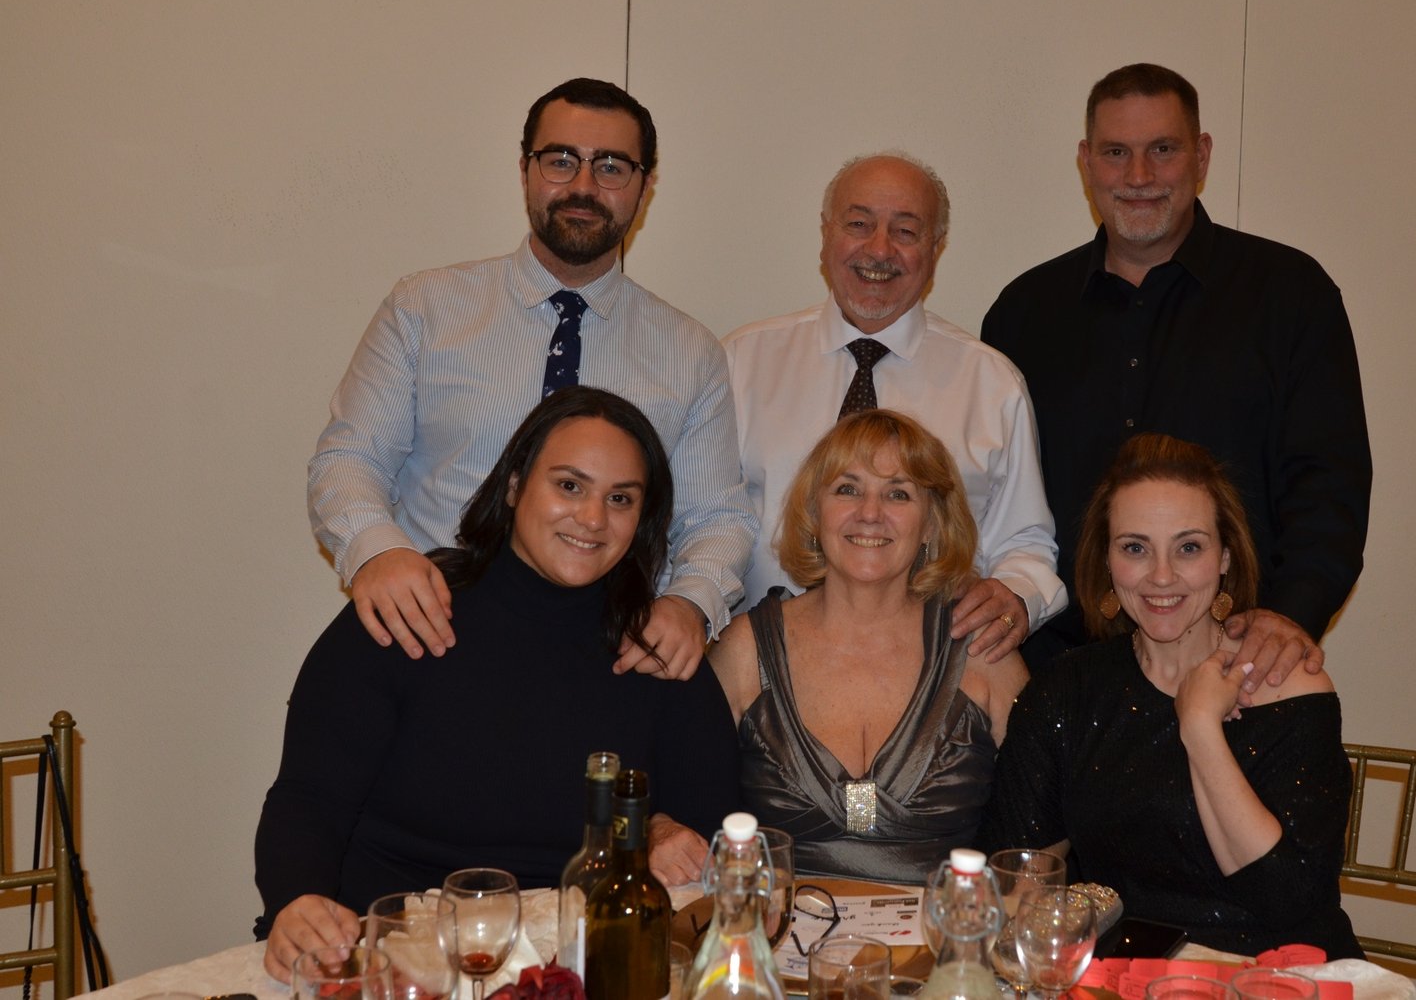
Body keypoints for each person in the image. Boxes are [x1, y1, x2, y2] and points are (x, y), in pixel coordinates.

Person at [258, 387, 742, 981]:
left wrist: (663, 831)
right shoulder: (412, 610)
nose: (593, 518)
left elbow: (718, 840)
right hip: (395, 958)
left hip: (584, 968)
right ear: (514, 485)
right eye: (569, 485)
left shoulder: (657, 648)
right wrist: (297, 902)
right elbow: (309, 799)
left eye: (620, 498)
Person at [308, 77, 755, 677]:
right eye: (561, 160)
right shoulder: (425, 309)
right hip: (426, 640)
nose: (583, 186)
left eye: (611, 167)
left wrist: (689, 603)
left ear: (645, 187)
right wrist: (376, 552)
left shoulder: (690, 352)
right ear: (525, 170)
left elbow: (716, 518)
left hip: (603, 665)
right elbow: (350, 458)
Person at [982, 63, 1370, 689]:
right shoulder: (1023, 314)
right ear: (1086, 162)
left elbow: (1329, 484)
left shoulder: (1291, 296)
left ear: (1202, 155)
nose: (1138, 176)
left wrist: (1290, 615)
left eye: (1162, 149)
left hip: (1238, 668)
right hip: (1060, 679)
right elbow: (996, 503)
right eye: (1116, 152)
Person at [978, 433, 1360, 959]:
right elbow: (1017, 879)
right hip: (1125, 977)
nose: (1161, 576)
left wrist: (1199, 725)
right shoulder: (1066, 690)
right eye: (1135, 548)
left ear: (1225, 557)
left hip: (1274, 974)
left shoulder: (1286, 684)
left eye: (1189, 547)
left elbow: (1290, 901)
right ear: (1107, 560)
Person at [723, 151, 1064, 663]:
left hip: (930, 676)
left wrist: (1018, 594)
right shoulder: (742, 363)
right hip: (758, 668)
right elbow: (700, 522)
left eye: (905, 231)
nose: (879, 249)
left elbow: (1026, 542)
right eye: (858, 224)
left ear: (936, 248)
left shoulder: (992, 384)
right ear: (826, 234)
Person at [708, 410, 1028, 884]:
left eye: (898, 494)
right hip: (776, 927)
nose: (870, 513)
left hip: (947, 930)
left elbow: (1039, 839)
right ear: (814, 514)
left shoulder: (981, 650)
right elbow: (688, 810)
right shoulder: (744, 650)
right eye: (847, 489)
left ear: (932, 524)